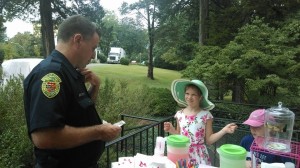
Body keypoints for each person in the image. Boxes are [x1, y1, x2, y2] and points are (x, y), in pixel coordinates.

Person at [23, 15, 121, 168]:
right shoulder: (52, 75)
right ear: (78, 40)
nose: (94, 55)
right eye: (93, 48)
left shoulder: (71, 72)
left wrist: (94, 87)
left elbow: (78, 112)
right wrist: (99, 132)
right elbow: (43, 137)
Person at [164, 79, 237, 167]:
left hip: (199, 156)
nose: (189, 97)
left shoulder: (206, 115)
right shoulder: (179, 114)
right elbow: (179, 136)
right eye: (187, 93)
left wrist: (224, 130)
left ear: (200, 97)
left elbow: (209, 140)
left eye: (193, 94)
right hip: (181, 153)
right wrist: (172, 130)